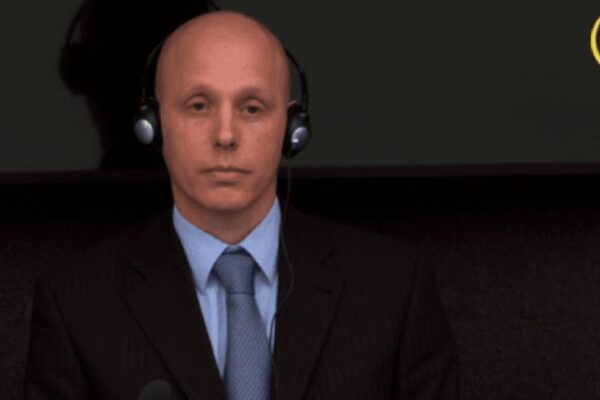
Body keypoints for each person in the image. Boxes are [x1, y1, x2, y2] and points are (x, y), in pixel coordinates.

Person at [24, 10, 459, 399]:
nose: (226, 135)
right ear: (154, 125)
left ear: (291, 127)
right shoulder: (75, 305)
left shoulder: (394, 289)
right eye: (199, 106)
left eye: (252, 109)